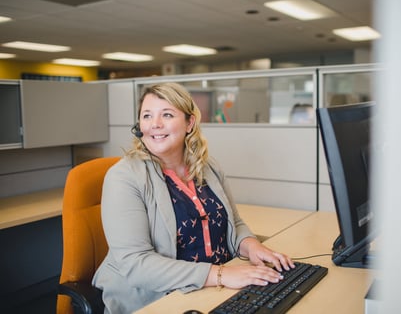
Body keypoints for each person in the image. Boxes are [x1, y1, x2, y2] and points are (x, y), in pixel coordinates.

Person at [92, 82, 295, 313]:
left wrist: (252, 246)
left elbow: (234, 224)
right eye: (146, 116)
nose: (155, 124)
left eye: (167, 114)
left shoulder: (207, 167)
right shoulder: (124, 177)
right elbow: (136, 263)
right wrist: (221, 274)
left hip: (216, 288)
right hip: (158, 298)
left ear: (190, 123)